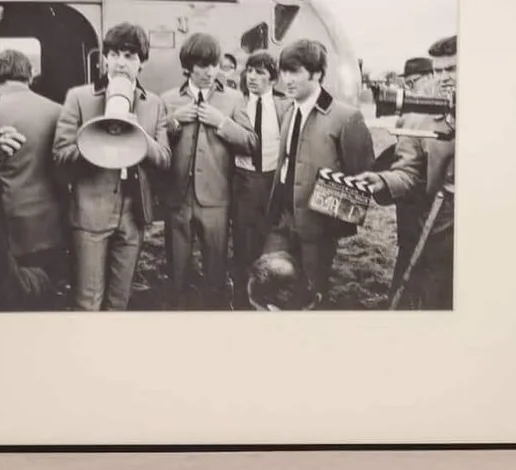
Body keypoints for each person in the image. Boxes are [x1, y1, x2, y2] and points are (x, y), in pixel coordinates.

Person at [54, 24, 171, 311]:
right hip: (90, 215)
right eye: (115, 54)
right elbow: (60, 155)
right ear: (104, 58)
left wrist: (137, 135)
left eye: (130, 56)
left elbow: (165, 158)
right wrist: (97, 141)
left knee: (119, 302)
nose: (121, 63)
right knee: (88, 301)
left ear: (141, 63)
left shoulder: (153, 104)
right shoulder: (80, 97)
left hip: (132, 217)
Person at [261, 39, 373, 308]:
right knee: (270, 286)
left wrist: (331, 224)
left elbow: (361, 175)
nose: (286, 79)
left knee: (311, 296)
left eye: (295, 72)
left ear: (317, 73)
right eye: (283, 72)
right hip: (282, 219)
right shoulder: (289, 112)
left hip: (318, 229)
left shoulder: (347, 118)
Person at [358, 35, 456, 309]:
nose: (444, 77)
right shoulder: (417, 115)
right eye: (439, 70)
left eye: (453, 69)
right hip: (440, 229)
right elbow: (408, 171)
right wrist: (381, 180)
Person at [157, 33, 253, 309]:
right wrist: (174, 123)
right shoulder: (168, 100)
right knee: (177, 274)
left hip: (216, 201)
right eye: (203, 66)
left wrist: (222, 122)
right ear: (188, 67)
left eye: (215, 64)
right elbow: (157, 142)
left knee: (215, 273)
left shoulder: (234, 100)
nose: (211, 72)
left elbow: (251, 143)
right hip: (177, 200)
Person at [0, 48, 70, 304]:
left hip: (10, 227)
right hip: (51, 224)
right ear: (30, 77)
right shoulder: (58, 111)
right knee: (50, 294)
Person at [226, 52, 285, 308]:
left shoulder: (285, 106)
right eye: (249, 70)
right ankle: (240, 298)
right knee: (242, 243)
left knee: (270, 242)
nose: (252, 77)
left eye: (260, 72)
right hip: (243, 181)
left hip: (273, 183)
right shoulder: (236, 104)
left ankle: (266, 298)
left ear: (273, 78)